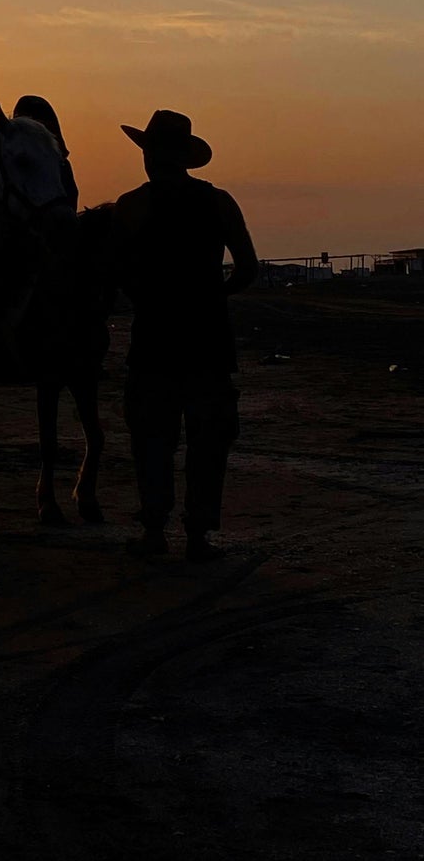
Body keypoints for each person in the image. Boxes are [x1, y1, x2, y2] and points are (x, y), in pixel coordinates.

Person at [111, 109, 259, 562]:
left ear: (150, 156)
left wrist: (145, 297)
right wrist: (214, 295)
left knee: (152, 440)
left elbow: (116, 272)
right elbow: (248, 268)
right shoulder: (219, 202)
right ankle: (197, 534)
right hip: (208, 342)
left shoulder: (132, 206)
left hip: (154, 340)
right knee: (207, 443)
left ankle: (154, 530)